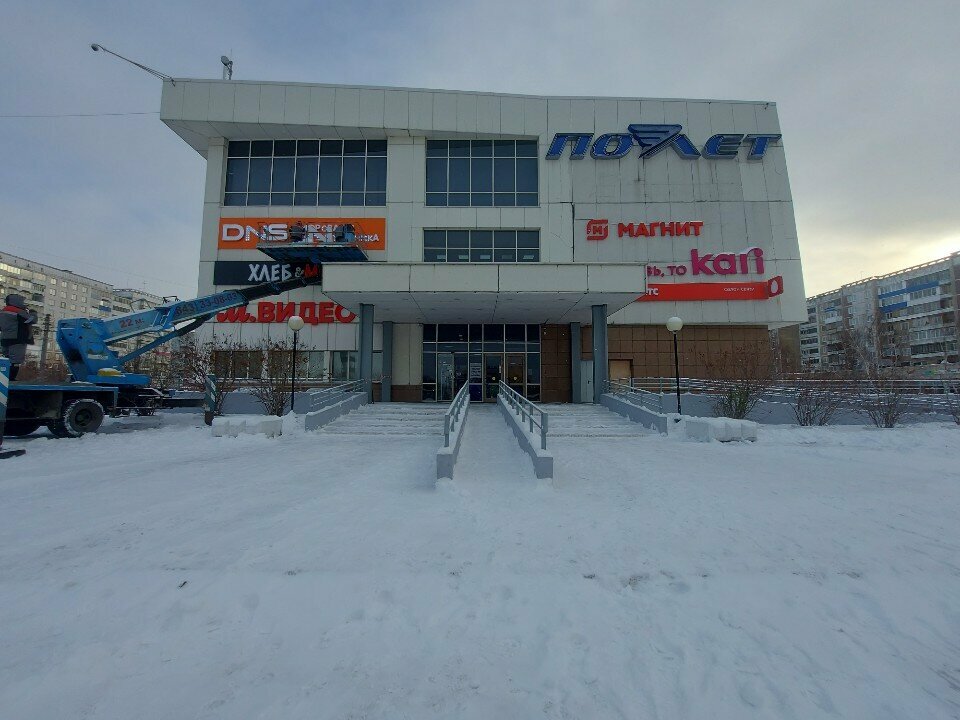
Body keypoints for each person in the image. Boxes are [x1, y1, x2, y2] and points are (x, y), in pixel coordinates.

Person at [0, 294, 35, 381]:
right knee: (15, 361)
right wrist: (33, 312)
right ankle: (11, 379)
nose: (23, 303)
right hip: (18, 339)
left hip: (4, 338)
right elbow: (32, 320)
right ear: (16, 301)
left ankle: (3, 378)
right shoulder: (18, 311)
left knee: (6, 359)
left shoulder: (3, 311)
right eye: (22, 301)